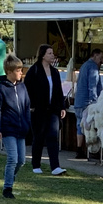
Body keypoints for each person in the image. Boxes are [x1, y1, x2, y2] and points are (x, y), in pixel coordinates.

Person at [0, 55, 32, 200]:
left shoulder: (22, 87)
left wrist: (28, 124)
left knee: (21, 160)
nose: (21, 73)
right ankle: (7, 188)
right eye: (18, 70)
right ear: (9, 71)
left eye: (21, 70)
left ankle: (10, 176)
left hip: (21, 129)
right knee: (12, 159)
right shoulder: (1, 89)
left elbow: (27, 106)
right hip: (8, 129)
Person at [24, 43, 67, 176]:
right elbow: (27, 89)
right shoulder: (34, 70)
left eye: (52, 53)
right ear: (42, 55)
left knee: (53, 136)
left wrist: (62, 107)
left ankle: (55, 166)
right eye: (49, 53)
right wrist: (31, 106)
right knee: (38, 137)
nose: (52, 55)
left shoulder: (54, 72)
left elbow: (59, 90)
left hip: (53, 109)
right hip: (38, 110)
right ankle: (36, 164)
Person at [73, 47, 103, 158]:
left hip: (79, 101)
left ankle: (79, 149)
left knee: (79, 126)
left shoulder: (84, 65)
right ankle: (92, 151)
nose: (102, 61)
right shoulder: (93, 67)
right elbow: (93, 86)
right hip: (88, 102)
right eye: (100, 57)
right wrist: (95, 102)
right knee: (90, 126)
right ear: (94, 56)